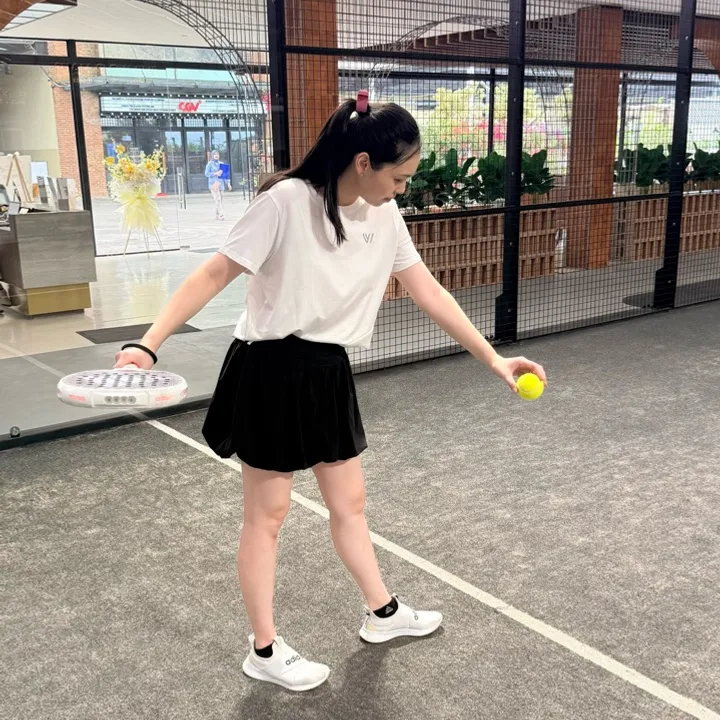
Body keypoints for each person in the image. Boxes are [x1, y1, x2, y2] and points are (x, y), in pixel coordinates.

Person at [114, 91, 547, 693]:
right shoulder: (285, 202)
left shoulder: (385, 216)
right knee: (268, 515)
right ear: (363, 162)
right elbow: (215, 272)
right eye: (398, 178)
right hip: (270, 369)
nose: (402, 191)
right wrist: (147, 343)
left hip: (327, 370)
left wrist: (495, 359)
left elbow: (430, 292)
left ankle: (382, 613)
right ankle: (264, 649)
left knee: (350, 502)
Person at [204, 150, 231, 220]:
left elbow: (225, 175)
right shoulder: (210, 164)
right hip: (214, 183)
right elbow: (206, 174)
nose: (216, 156)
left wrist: (228, 183)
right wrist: (215, 173)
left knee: (220, 200)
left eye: (217, 154)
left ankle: (217, 215)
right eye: (215, 154)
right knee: (218, 199)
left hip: (221, 184)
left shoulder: (221, 164)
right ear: (212, 156)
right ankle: (221, 215)